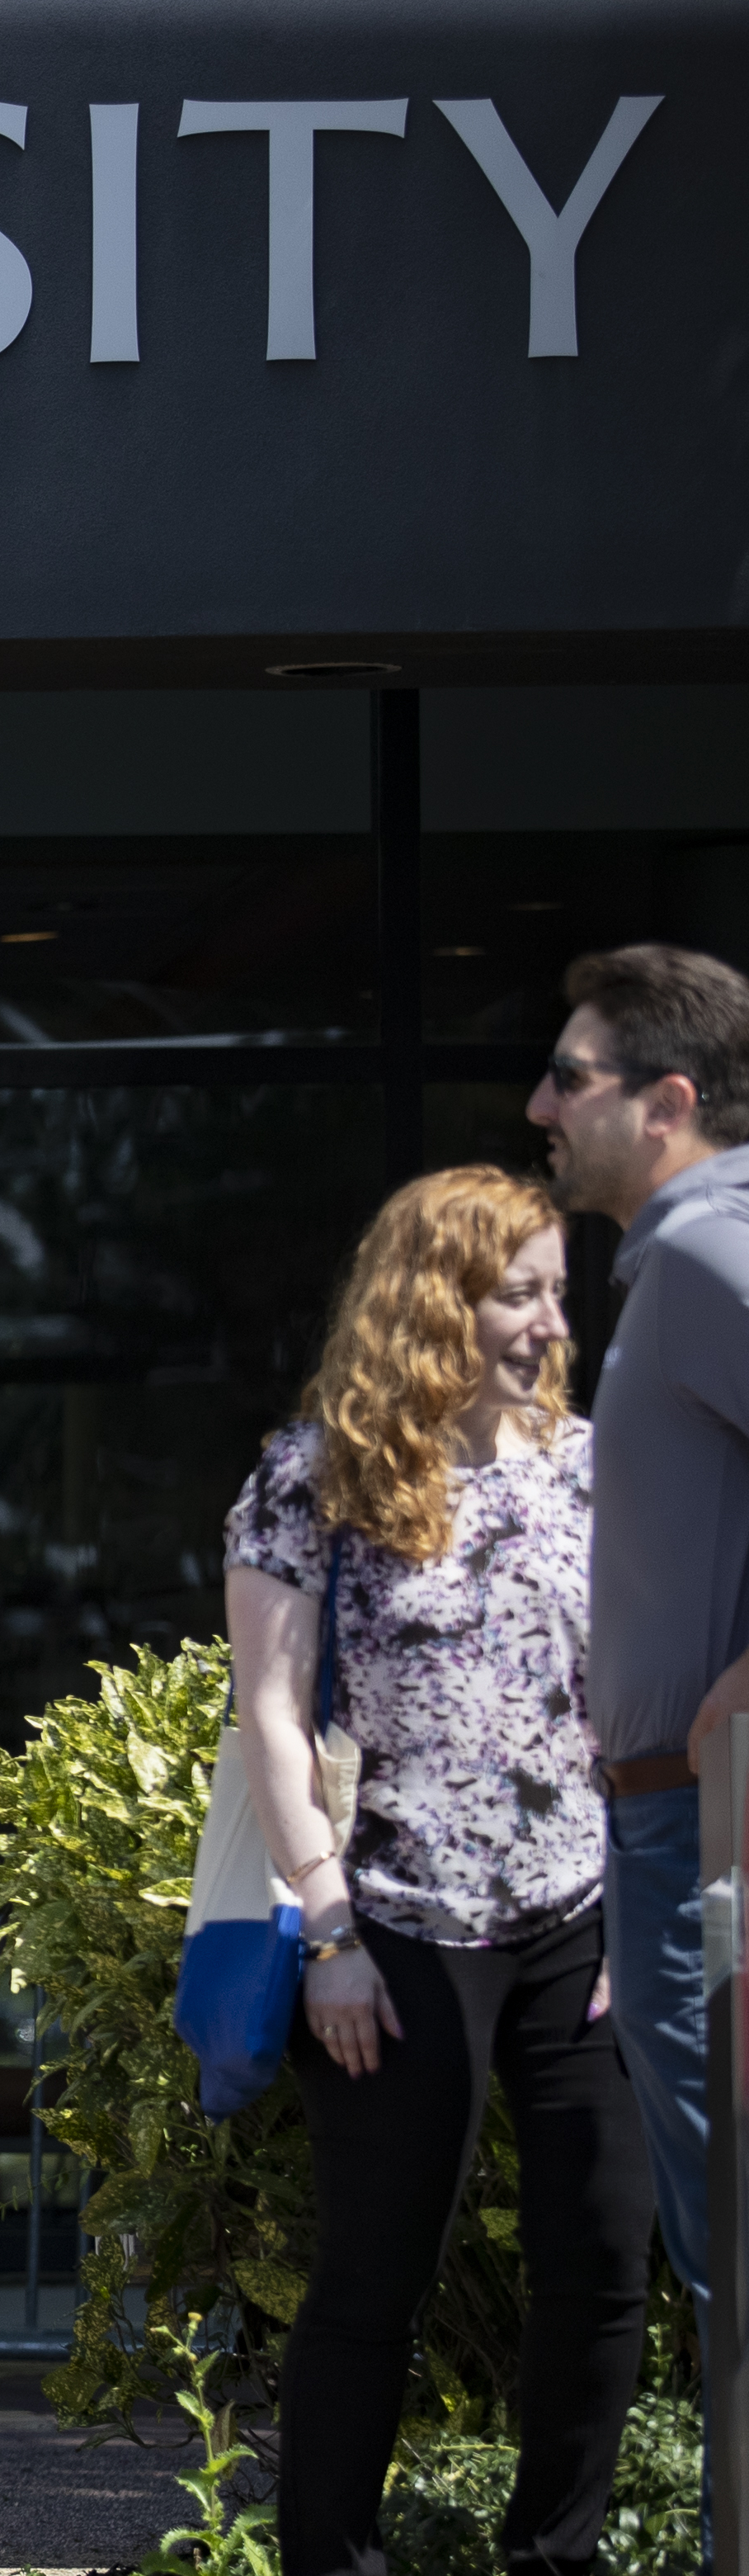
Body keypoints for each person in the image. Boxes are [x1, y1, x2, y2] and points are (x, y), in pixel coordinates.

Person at [224, 1165, 652, 2576]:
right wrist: (329, 1932)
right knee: (372, 2277)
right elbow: (270, 1719)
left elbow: (640, 1707)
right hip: (397, 1928)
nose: (552, 1318)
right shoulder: (315, 1477)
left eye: (557, 1288)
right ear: (434, 1304)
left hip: (581, 1921)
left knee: (601, 2255)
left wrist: (646, 1921)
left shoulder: (601, 1470)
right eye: (519, 1290)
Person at [531, 940, 749, 2371]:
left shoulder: (706, 1249)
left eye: (569, 1076)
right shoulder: (677, 1258)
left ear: (666, 1100)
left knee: (731, 2230)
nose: (540, 1107)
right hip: (672, 1812)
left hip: (704, 1819)